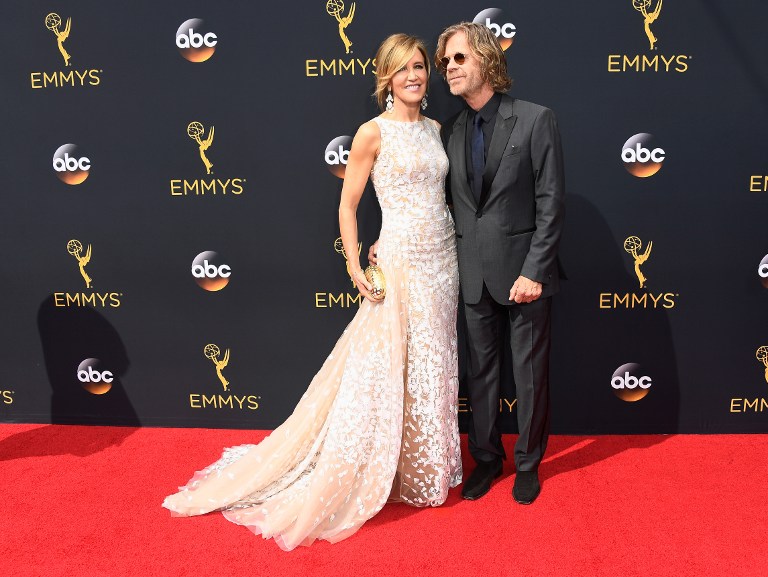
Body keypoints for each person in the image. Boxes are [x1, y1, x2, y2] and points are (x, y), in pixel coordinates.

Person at [162, 34, 462, 550]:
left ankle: (420, 468)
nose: (414, 76)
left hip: (443, 263)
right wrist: (354, 263)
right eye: (403, 69)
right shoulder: (372, 133)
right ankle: (369, 466)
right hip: (402, 262)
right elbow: (348, 207)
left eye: (419, 67)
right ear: (386, 78)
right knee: (387, 367)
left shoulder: (436, 129)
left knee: (433, 363)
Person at [436, 22, 564, 504]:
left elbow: (551, 203)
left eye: (459, 58)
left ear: (487, 60)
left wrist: (534, 270)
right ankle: (487, 460)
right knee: (481, 375)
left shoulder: (535, 119)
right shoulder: (450, 131)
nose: (448, 68)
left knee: (530, 375)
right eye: (445, 60)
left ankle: (529, 463)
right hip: (472, 274)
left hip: (525, 274)